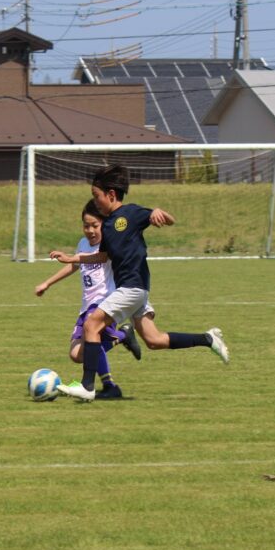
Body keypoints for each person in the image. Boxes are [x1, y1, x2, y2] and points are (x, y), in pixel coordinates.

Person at [49, 164, 229, 403]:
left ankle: (87, 386)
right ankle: (208, 339)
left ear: (111, 194)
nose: (95, 201)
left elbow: (169, 220)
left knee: (92, 324)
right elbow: (102, 257)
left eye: (96, 195)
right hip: (133, 290)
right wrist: (72, 258)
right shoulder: (108, 225)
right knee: (154, 341)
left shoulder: (131, 213)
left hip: (132, 287)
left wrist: (160, 213)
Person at [35, 201, 142, 400]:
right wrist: (47, 283)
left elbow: (101, 257)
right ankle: (123, 337)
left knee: (91, 337)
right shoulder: (82, 244)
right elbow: (74, 265)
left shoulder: (109, 244)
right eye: (86, 226)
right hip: (86, 305)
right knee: (77, 354)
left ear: (104, 224)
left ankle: (104, 385)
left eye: (95, 225)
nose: (90, 230)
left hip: (104, 302)